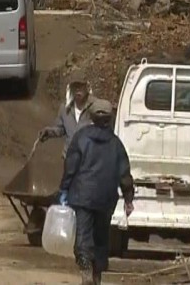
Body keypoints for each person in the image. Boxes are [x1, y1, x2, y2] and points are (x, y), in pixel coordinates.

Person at [58, 99, 134, 285]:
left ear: (91, 116)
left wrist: (64, 189)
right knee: (101, 237)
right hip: (106, 199)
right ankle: (97, 275)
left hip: (82, 196)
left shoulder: (81, 138)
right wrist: (128, 199)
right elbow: (124, 173)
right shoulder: (116, 144)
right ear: (110, 118)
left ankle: (85, 270)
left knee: (83, 235)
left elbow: (71, 167)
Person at [39, 75, 95, 156]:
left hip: (89, 158)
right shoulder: (65, 109)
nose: (77, 90)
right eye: (75, 86)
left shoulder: (94, 108)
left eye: (80, 86)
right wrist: (49, 132)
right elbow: (61, 129)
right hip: (70, 157)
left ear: (87, 87)